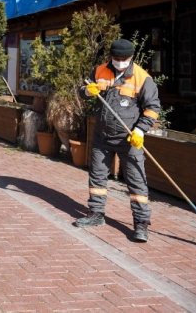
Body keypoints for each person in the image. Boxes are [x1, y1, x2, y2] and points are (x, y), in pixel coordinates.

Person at [75, 38, 161, 242]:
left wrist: (140, 130)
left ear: (131, 58)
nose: (120, 61)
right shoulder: (100, 70)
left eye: (124, 59)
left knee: (136, 181)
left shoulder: (142, 78)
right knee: (97, 177)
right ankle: (96, 214)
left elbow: (153, 108)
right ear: (110, 57)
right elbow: (83, 90)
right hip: (102, 136)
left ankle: (141, 224)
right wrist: (88, 91)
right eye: (116, 58)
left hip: (129, 139)